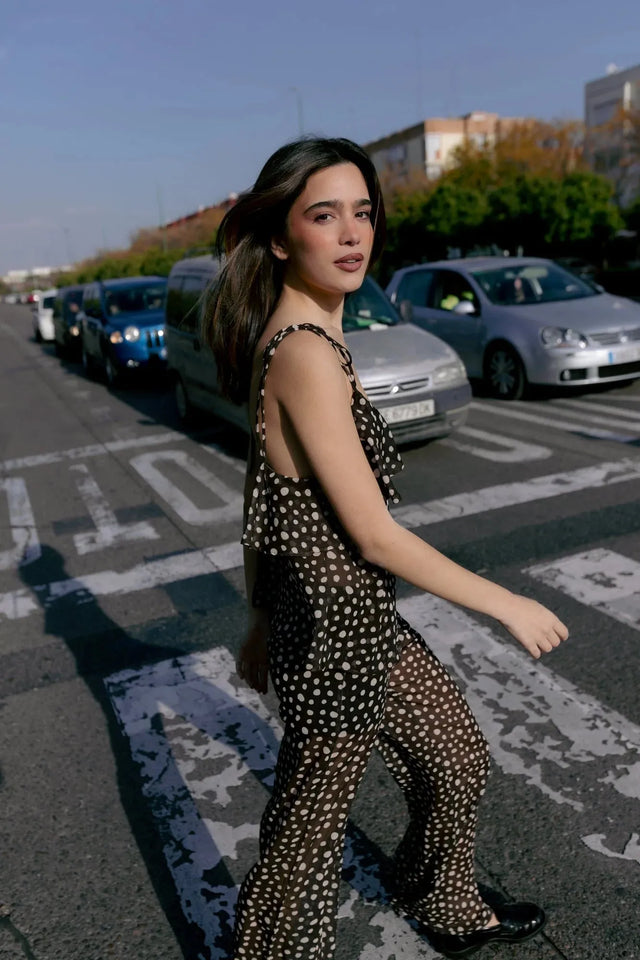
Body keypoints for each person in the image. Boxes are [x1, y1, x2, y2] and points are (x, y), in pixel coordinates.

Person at [202, 137, 568, 960]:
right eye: (323, 215)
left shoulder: (308, 335)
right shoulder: (303, 352)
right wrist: (506, 601)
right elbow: (371, 533)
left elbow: (264, 500)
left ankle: (440, 896)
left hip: (345, 622)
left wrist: (258, 620)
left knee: (455, 756)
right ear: (279, 235)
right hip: (334, 640)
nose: (351, 233)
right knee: (307, 835)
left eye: (361, 212)